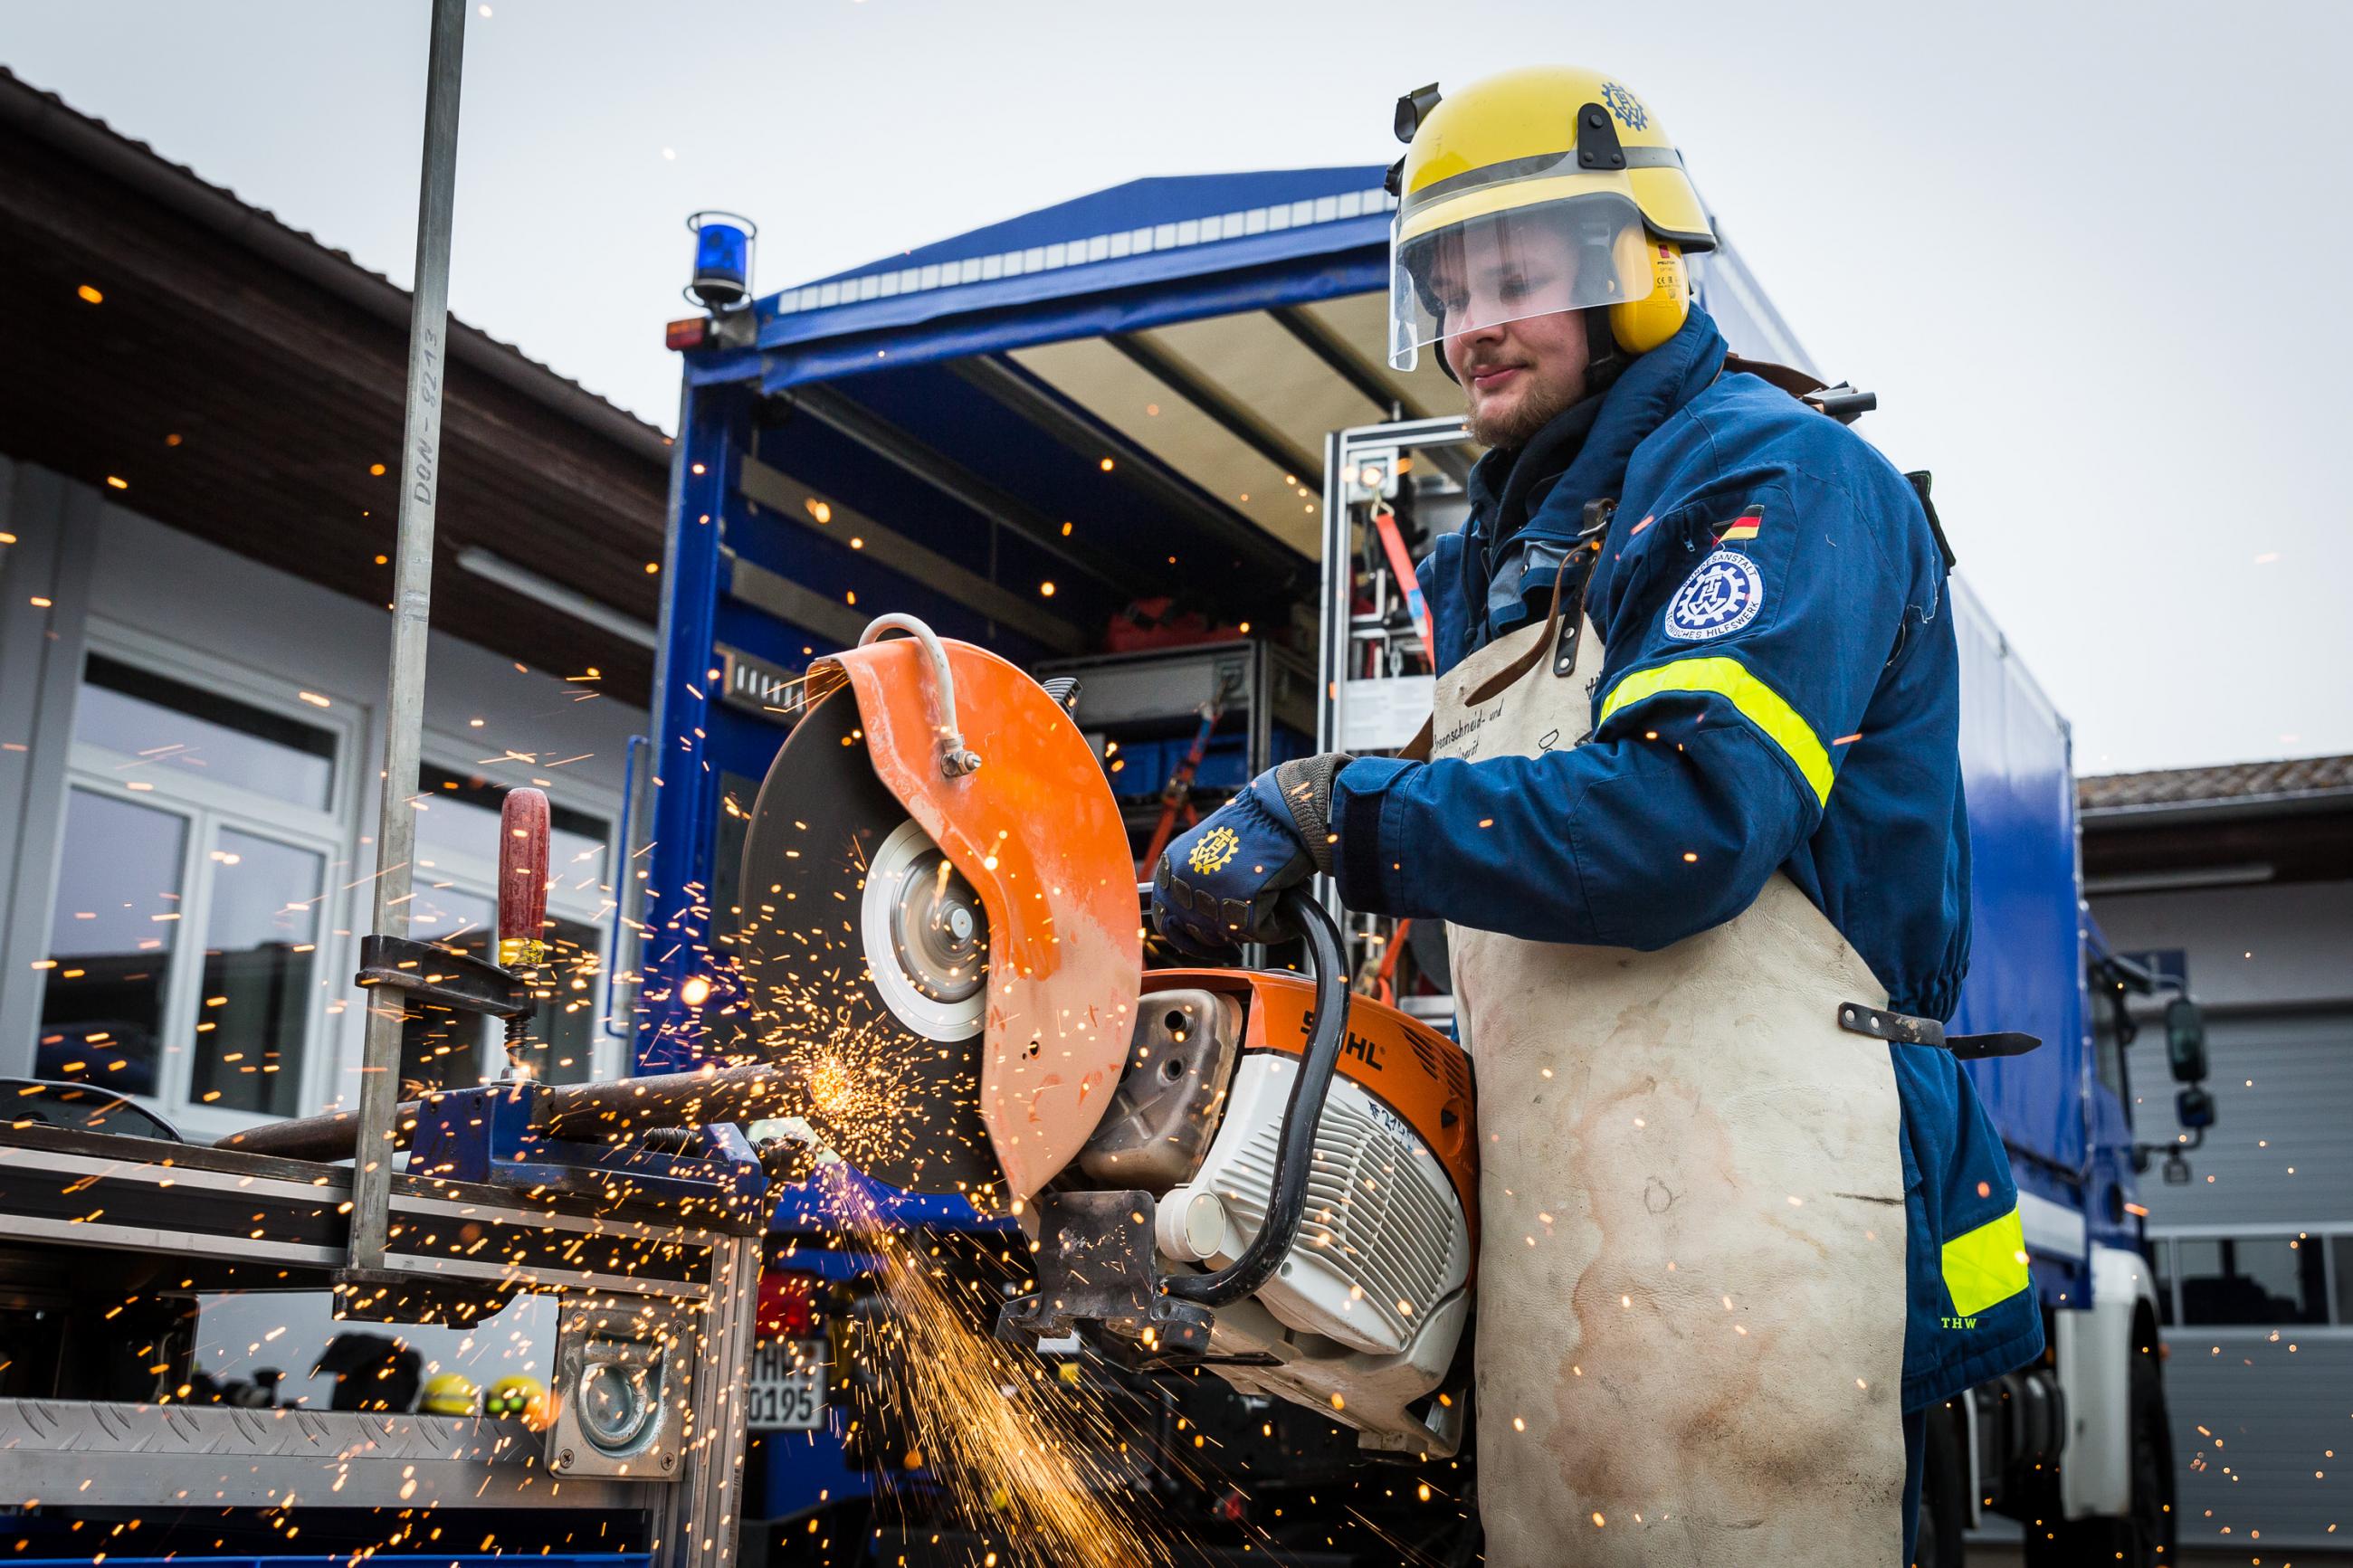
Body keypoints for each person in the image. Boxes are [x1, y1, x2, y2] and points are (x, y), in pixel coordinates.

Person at [1151, 65, 2043, 1566]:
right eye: (1448, 285)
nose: (1474, 322)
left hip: (1775, 1228)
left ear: (1633, 275)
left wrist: (1329, 805)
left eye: (1521, 271)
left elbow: (1681, 823)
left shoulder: (1779, 477)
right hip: (1594, 1253)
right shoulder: (1511, 550)